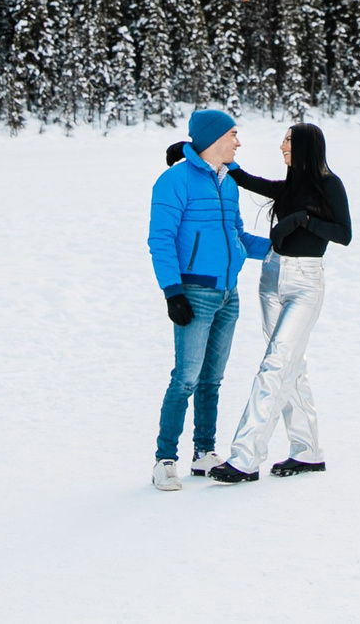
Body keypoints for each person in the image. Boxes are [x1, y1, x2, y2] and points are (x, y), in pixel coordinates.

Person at [204, 122, 351, 483]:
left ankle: (245, 457)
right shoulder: (288, 186)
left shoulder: (329, 185)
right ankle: (307, 452)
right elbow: (245, 178)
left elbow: (344, 234)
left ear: (305, 146)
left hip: (304, 284)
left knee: (274, 366)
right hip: (271, 280)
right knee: (291, 368)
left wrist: (303, 220)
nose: (281, 146)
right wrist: (192, 151)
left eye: (287, 140)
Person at [146, 108, 270, 492]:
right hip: (194, 295)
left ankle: (204, 453)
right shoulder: (174, 182)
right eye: (233, 134)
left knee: (211, 380)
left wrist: (281, 247)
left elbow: (237, 235)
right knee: (185, 378)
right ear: (214, 139)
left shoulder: (228, 182)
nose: (238, 141)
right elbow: (161, 240)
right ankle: (165, 459)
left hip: (228, 293)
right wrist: (173, 292)